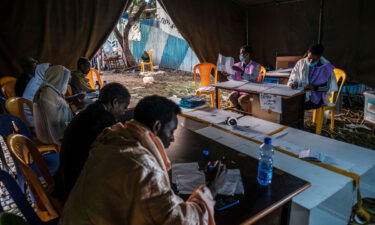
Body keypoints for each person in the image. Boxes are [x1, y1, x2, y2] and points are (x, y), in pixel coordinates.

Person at [59, 95, 226, 225]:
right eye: (172, 131)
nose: (173, 139)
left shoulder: (112, 139)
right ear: (157, 126)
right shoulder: (142, 167)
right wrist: (210, 189)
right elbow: (175, 221)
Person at [53, 82, 131, 201]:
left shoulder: (92, 110)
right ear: (114, 102)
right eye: (124, 107)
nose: (124, 112)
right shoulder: (105, 120)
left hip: (64, 178)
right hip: (76, 187)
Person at [287, 44, 338, 109]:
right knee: (287, 102)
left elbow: (327, 88)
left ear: (319, 57)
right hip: (300, 94)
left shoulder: (326, 68)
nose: (311, 61)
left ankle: (298, 118)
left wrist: (314, 88)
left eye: (314, 60)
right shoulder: (301, 63)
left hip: (315, 99)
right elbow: (293, 76)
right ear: (308, 52)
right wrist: (293, 83)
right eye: (309, 58)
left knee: (294, 106)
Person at [33, 65, 73, 145]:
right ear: (57, 78)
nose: (66, 82)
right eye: (64, 79)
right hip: (52, 134)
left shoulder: (52, 90)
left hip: (55, 128)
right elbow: (54, 119)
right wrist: (72, 109)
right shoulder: (47, 92)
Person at [227, 45, 262, 112]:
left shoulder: (256, 66)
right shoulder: (237, 65)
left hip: (250, 90)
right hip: (238, 89)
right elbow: (233, 78)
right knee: (231, 97)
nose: (240, 55)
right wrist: (228, 74)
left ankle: (246, 114)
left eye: (242, 53)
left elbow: (253, 78)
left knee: (241, 99)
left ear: (247, 54)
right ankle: (241, 111)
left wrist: (241, 71)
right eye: (240, 53)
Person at [22, 63, 50, 128]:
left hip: (35, 114)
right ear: (43, 72)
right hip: (32, 119)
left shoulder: (38, 80)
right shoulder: (38, 85)